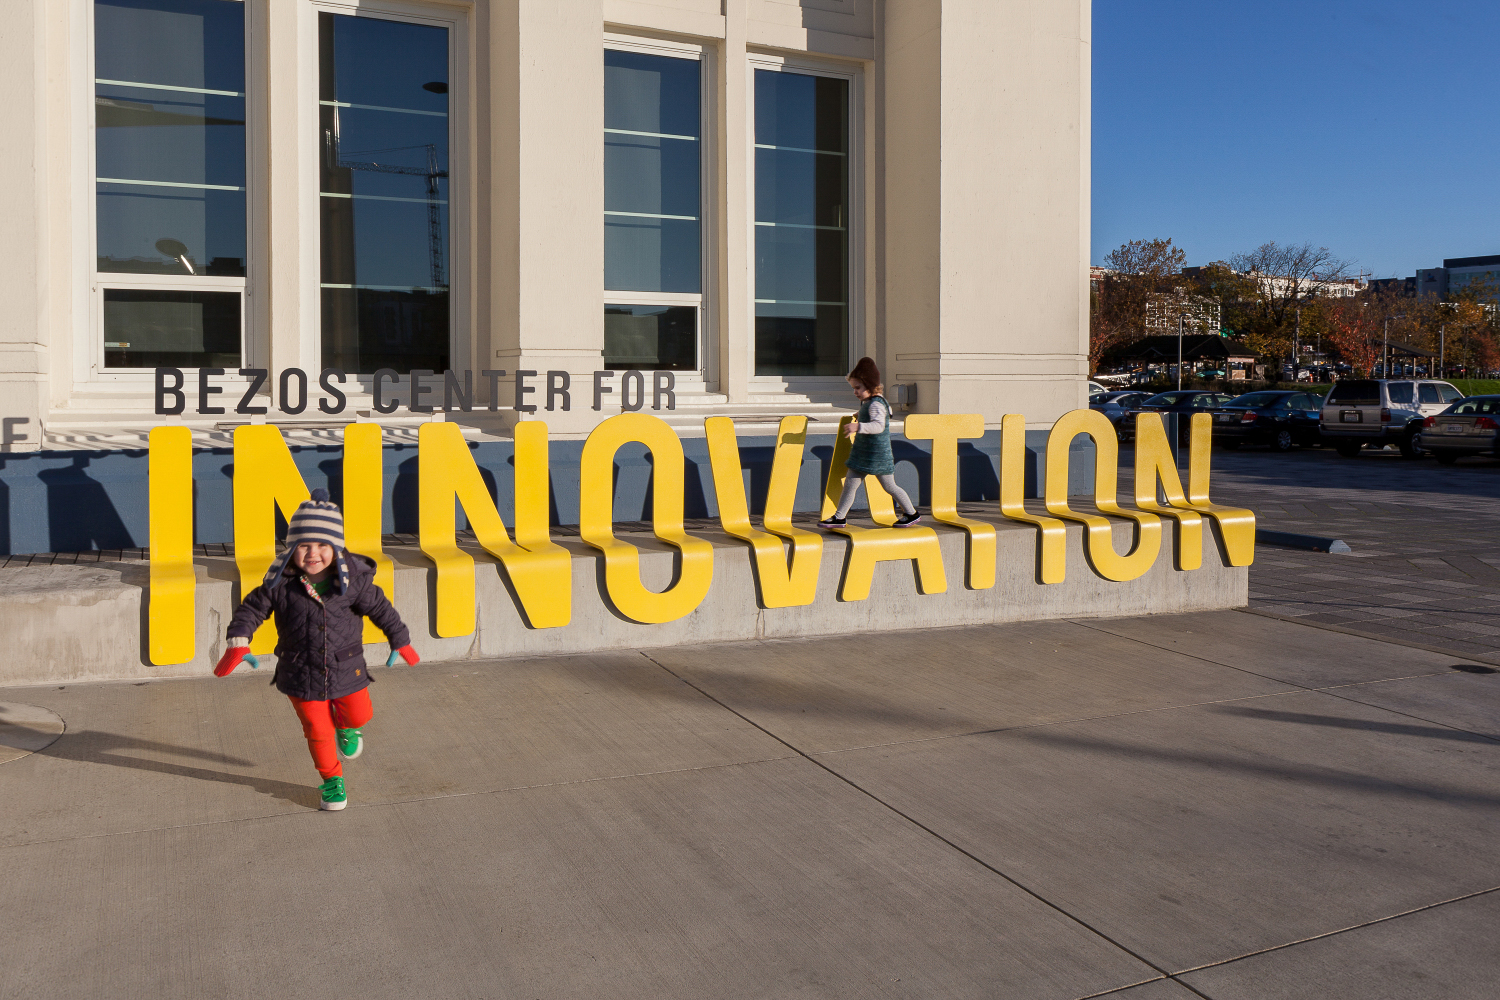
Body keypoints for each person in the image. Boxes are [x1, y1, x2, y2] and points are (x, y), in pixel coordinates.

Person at [213, 488, 418, 811]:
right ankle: (331, 779)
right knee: (317, 731)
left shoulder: (355, 582)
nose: (313, 553)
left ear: (336, 547)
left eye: (322, 545)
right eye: (304, 545)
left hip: (346, 667)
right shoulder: (279, 583)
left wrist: (400, 639)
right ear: (292, 547)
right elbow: (251, 609)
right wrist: (239, 639)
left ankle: (349, 728)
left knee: (360, 713)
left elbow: (381, 609)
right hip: (301, 672)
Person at [819, 357, 922, 528]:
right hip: (863, 454)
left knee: (889, 486)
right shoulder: (870, 403)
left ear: (870, 385)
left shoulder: (876, 404)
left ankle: (911, 513)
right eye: (854, 388)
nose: (855, 392)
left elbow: (878, 426)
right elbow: (873, 416)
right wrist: (861, 415)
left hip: (877, 455)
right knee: (850, 485)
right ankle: (839, 517)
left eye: (858, 387)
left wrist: (858, 426)